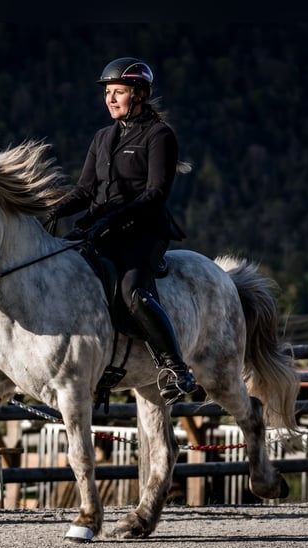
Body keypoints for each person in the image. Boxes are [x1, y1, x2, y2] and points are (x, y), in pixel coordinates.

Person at [47, 56, 197, 404]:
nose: (110, 99)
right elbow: (85, 191)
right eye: (108, 93)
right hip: (99, 229)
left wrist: (113, 220)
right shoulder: (102, 137)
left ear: (140, 94)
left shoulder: (160, 135)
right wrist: (54, 209)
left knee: (132, 291)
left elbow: (155, 193)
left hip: (143, 230)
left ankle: (176, 367)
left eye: (118, 92)